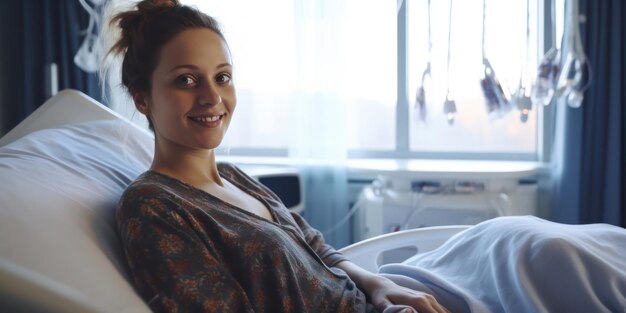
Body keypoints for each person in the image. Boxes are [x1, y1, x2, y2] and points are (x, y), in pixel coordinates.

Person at [107, 1, 449, 312]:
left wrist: (381, 285)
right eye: (186, 80)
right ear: (142, 99)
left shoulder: (235, 177)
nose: (212, 97)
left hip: (378, 300)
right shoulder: (153, 205)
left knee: (499, 239)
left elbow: (317, 248)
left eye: (222, 77)